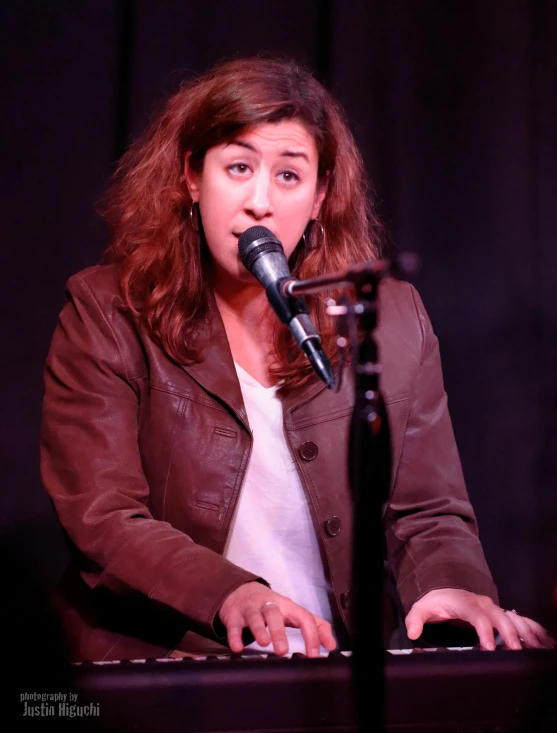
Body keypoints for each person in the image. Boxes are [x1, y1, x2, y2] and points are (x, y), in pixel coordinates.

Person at [40, 56, 553, 662]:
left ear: (320, 197)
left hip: (330, 667)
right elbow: (104, 515)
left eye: (289, 176)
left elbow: (427, 511)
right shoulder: (108, 311)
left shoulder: (385, 318)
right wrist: (231, 593)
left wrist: (452, 590)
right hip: (166, 663)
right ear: (191, 178)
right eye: (238, 167)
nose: (260, 201)